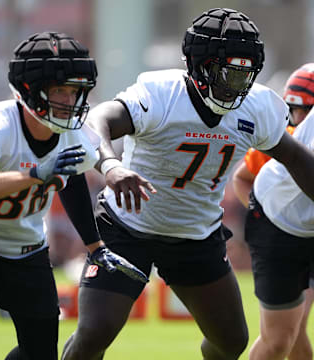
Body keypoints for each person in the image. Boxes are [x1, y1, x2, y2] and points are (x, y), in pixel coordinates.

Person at [62, 8, 314, 360]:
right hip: (128, 227)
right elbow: (98, 119)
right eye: (228, 73)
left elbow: (298, 159)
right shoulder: (162, 93)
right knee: (94, 331)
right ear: (200, 66)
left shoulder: (256, 106)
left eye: (245, 75)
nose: (236, 86)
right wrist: (111, 165)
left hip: (195, 236)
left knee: (231, 342)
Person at [0, 31, 147, 360]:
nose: (69, 101)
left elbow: (69, 181)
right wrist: (31, 176)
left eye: (75, 92)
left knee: (41, 353)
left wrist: (95, 247)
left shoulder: (75, 135)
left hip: (25, 247)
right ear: (29, 89)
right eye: (60, 90)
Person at [233, 62, 314, 360]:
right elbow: (241, 179)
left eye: (304, 109)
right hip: (281, 228)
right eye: (295, 109)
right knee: (282, 337)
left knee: (295, 327)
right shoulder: (287, 139)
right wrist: (258, 213)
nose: (298, 119)